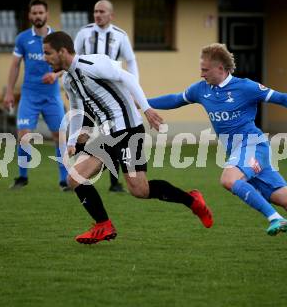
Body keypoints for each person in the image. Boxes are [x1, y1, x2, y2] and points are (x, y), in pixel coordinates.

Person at [148, 42, 287, 251]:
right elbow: (175, 99)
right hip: (238, 152)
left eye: (205, 70)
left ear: (220, 68)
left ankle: (275, 219)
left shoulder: (246, 87)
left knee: (229, 179)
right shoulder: (201, 89)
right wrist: (142, 102)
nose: (201, 74)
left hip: (254, 146)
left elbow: (283, 98)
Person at [42, 31, 213, 244]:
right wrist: (71, 141)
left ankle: (193, 201)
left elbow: (128, 77)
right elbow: (77, 108)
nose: (44, 58)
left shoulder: (92, 64)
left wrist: (148, 109)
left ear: (62, 51)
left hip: (128, 130)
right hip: (108, 135)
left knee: (139, 190)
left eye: (48, 53)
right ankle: (103, 225)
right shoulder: (68, 79)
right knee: (75, 177)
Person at [73, 0, 139, 193]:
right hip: (89, 93)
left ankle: (114, 183)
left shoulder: (120, 36)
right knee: (83, 133)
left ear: (111, 15)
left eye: (102, 11)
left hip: (111, 96)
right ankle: (77, 174)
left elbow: (131, 61)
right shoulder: (84, 32)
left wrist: (134, 87)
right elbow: (73, 59)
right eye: (95, 11)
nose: (98, 15)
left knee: (113, 135)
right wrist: (73, 86)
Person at [3, 0, 69, 191]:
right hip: (29, 95)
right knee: (23, 135)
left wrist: (55, 74)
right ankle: (22, 178)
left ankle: (64, 180)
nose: (38, 16)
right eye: (34, 13)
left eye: (41, 13)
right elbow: (15, 65)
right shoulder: (22, 38)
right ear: (29, 15)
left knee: (60, 136)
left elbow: (68, 65)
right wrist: (8, 92)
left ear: (47, 14)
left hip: (52, 96)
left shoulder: (58, 38)